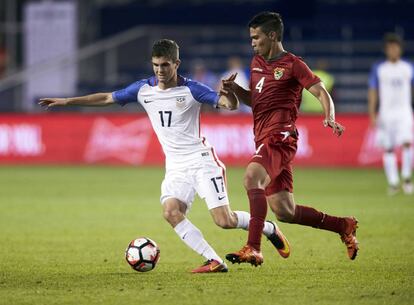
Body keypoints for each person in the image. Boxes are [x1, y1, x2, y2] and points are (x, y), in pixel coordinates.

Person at [39, 39, 290, 273]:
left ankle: (268, 228)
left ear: (176, 64)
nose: (160, 70)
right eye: (156, 65)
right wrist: (66, 101)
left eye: (165, 65)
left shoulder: (192, 89)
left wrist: (228, 92)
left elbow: (230, 106)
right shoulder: (142, 89)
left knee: (224, 221)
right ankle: (214, 260)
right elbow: (107, 97)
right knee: (171, 212)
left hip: (201, 161)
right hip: (175, 167)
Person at [221, 12, 359, 266]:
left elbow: (321, 91)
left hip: (280, 136)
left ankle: (253, 247)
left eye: (256, 37)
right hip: (263, 138)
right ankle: (344, 225)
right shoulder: (256, 62)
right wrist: (236, 91)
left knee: (252, 177)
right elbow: (257, 100)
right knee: (284, 210)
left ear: (272, 36)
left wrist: (329, 116)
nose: (252, 42)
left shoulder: (293, 64)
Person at [368, 33, 414, 195]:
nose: (393, 50)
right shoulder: (379, 69)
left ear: (400, 49)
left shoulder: (408, 67)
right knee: (388, 148)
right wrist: (373, 113)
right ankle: (394, 183)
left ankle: (407, 178)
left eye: (396, 47)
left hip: (404, 112)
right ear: (386, 50)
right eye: (390, 48)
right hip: (386, 113)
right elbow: (373, 91)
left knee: (407, 143)